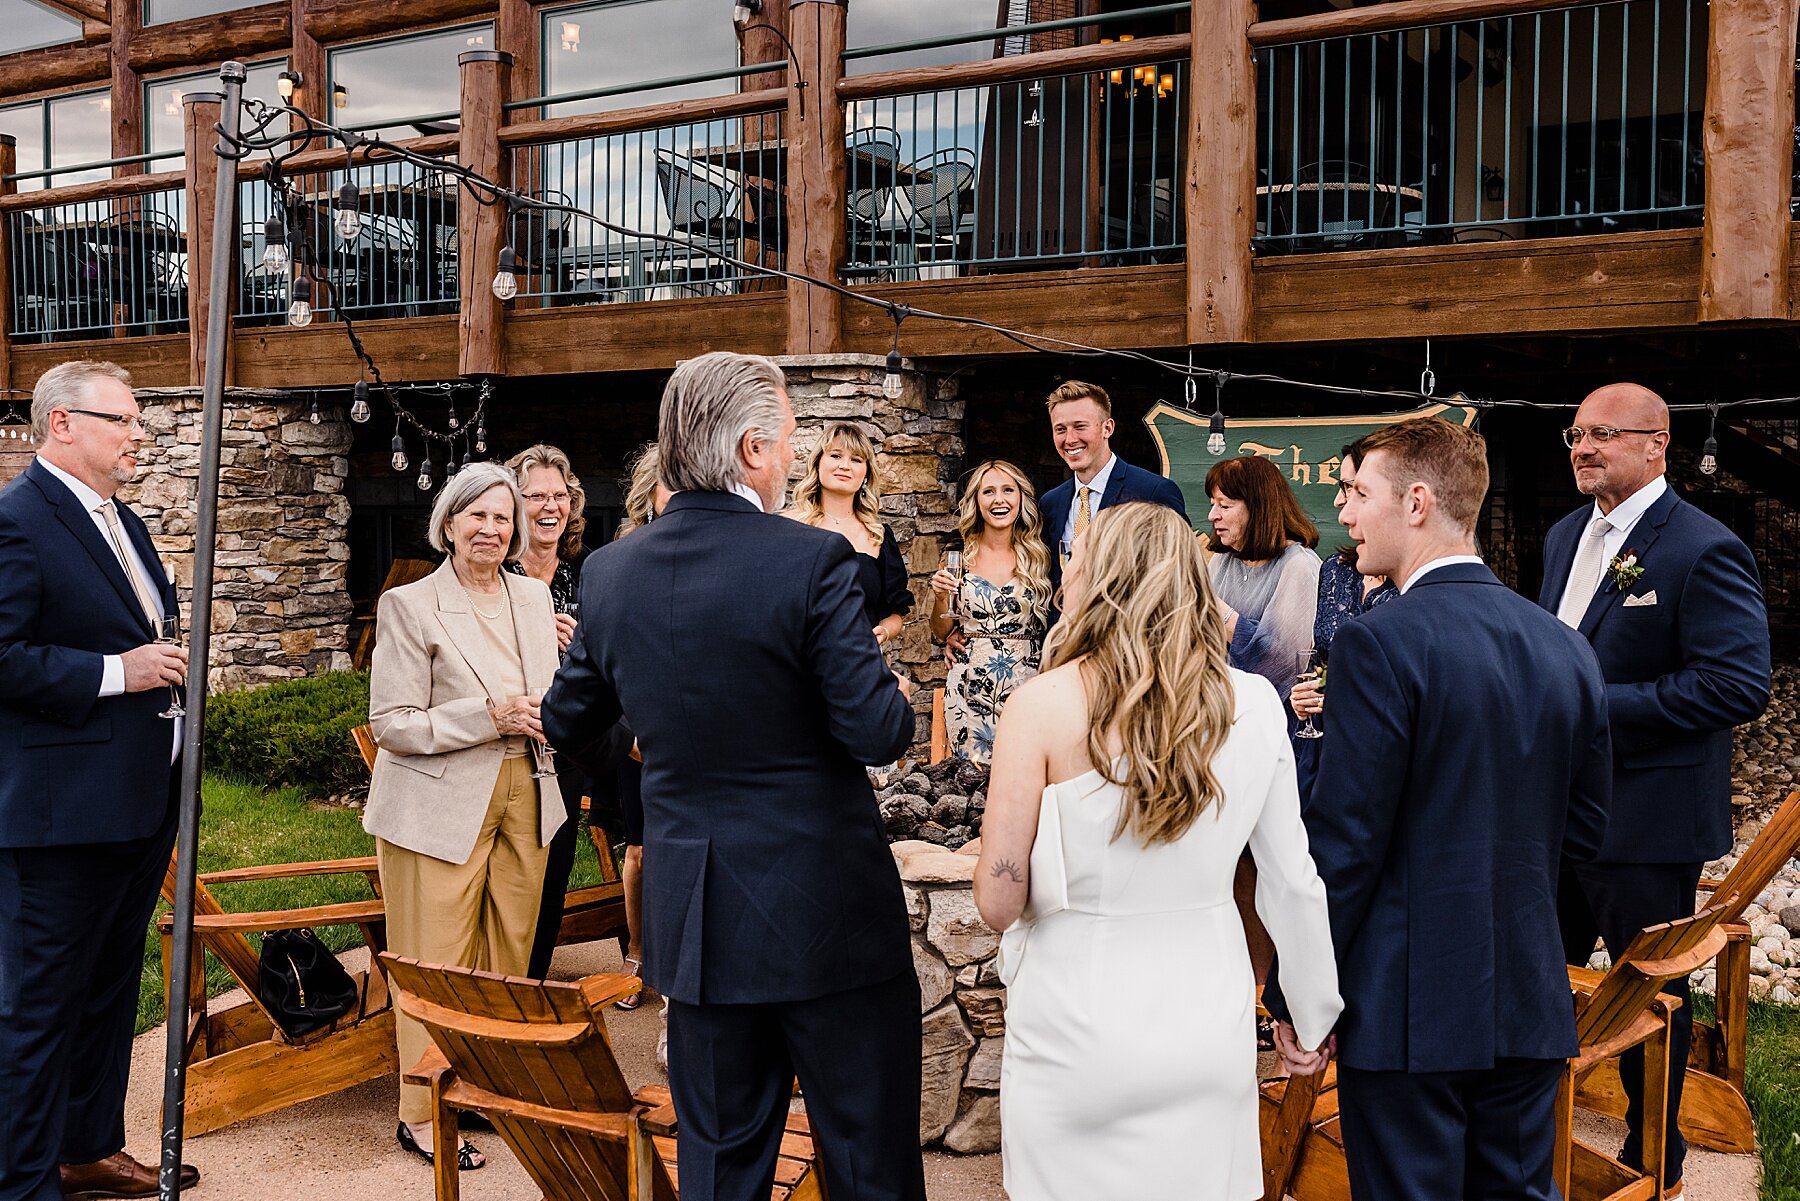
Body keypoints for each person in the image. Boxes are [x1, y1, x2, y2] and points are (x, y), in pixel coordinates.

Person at [543, 352, 924, 1201]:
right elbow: (878, 729)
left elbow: (566, 721)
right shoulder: (812, 561)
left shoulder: (612, 572)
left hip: (700, 917)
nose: (792, 456)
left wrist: (655, 731)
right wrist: (886, 689)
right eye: (788, 440)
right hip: (829, 916)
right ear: (753, 448)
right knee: (870, 1163)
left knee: (720, 1168)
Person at [1265, 417, 1612, 1201]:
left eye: (1358, 493)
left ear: (1417, 501)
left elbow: (1347, 843)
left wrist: (1297, 992)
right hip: (1527, 997)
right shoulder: (1565, 646)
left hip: (1407, 1006)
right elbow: (1586, 831)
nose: (1345, 514)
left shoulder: (1378, 643)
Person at [974, 502, 1341, 1201]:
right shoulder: (1257, 703)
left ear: (1104, 576)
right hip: (1205, 1014)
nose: (1064, 567)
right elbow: (1289, 877)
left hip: (1074, 1022)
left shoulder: (1041, 705)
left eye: (1076, 555)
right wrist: (1311, 1010)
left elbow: (997, 900)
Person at [1542, 383, 1771, 1199]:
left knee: (1651, 1003)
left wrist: (1594, 707)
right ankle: (1540, 1141)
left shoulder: (1702, 547)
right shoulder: (1565, 536)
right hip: (1554, 813)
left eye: (1603, 434)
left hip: (1647, 820)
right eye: (1575, 435)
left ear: (1657, 445)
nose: (1583, 448)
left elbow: (1737, 684)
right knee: (1539, 979)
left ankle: (1655, 1162)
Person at [0, 360, 201, 1201]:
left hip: (137, 803)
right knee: (39, 1007)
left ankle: (86, 1148)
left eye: (136, 419)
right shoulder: (18, 522)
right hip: (60, 817)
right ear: (63, 424)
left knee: (110, 990)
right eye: (122, 419)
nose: (137, 434)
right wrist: (119, 672)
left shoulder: (123, 521)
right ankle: (20, 1179)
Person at [365, 461, 566, 1172]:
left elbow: (547, 692)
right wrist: (490, 715)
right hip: (436, 800)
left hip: (528, 788)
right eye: (475, 515)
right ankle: (422, 1111)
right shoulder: (411, 605)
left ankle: (481, 1086)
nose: (491, 528)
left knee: (509, 958)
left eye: (502, 517)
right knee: (432, 960)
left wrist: (551, 714)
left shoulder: (534, 599)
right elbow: (391, 722)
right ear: (447, 523)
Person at [504, 443, 592, 981]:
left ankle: (531, 982)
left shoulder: (585, 577)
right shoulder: (495, 573)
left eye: (560, 495)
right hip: (506, 746)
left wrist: (581, 644)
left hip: (565, 747)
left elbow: (607, 660)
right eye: (536, 495)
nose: (550, 506)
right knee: (508, 876)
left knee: (553, 873)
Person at [603, 441, 675, 1011]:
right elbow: (606, 661)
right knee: (641, 851)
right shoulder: (621, 560)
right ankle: (637, 952)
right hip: (637, 732)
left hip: (693, 735)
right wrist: (628, 735)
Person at [1288, 440, 1398, 804]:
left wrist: (1334, 695)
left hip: (1381, 761)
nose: (1339, 501)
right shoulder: (1336, 570)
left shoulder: (1415, 585)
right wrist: (1305, 696)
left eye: (1350, 488)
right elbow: (1319, 659)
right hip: (1324, 750)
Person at [928, 459, 1052, 765]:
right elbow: (942, 630)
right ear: (976, 501)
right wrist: (941, 597)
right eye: (989, 492)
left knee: (1026, 772)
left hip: (1029, 683)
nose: (999, 500)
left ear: (1021, 498)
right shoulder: (959, 555)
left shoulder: (1039, 555)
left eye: (1008, 490)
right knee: (972, 778)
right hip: (970, 687)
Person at [1038, 380, 1188, 579]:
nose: (1070, 439)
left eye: (1080, 426)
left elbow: (1181, 571)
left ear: (1107, 428)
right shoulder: (1050, 503)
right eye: (1060, 429)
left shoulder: (1154, 492)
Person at [1204, 454, 1321, 702]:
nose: (1212, 515)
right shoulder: (1222, 561)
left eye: (1224, 506)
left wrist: (1219, 612)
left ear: (1259, 509)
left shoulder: (1298, 565)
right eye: (1213, 504)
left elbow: (1284, 663)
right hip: (1221, 709)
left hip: (1276, 716)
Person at [783, 421, 912, 647]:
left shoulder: (879, 537)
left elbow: (894, 613)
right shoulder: (788, 528)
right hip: (797, 666)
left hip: (858, 664)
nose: (845, 465)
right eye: (835, 456)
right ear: (818, 463)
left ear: (865, 473)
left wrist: (884, 631)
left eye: (856, 459)